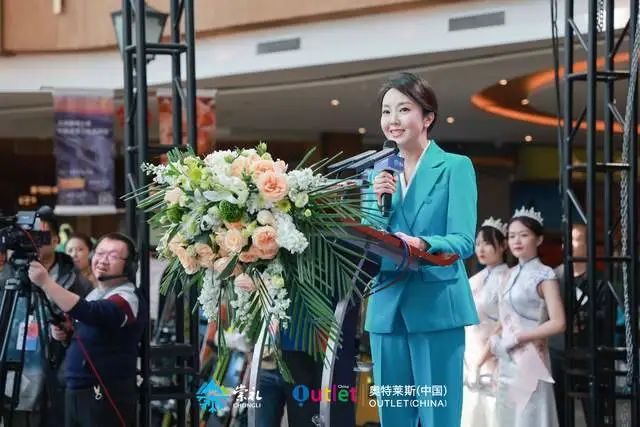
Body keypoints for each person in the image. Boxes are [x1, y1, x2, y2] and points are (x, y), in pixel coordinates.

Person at [366, 72, 479, 427]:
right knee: (393, 418)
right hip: (386, 308)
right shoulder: (376, 174)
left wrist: (424, 243)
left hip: (436, 306)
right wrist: (378, 203)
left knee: (438, 417)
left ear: (427, 117)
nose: (393, 120)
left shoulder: (455, 167)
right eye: (386, 111)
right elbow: (368, 240)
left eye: (403, 109)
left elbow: (463, 240)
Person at [27, 232, 146, 427]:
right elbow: (90, 327)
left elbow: (92, 312)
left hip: (106, 393)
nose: (103, 260)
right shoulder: (97, 292)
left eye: (113, 256)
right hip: (78, 390)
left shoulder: (128, 296)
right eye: (100, 253)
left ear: (129, 265)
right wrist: (67, 333)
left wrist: (46, 283)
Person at [2, 207, 92, 427]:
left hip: (59, 374)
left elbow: (88, 329)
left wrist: (67, 333)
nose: (33, 241)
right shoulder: (7, 279)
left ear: (54, 240)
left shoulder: (77, 281)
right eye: (27, 235)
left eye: (39, 236)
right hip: (15, 373)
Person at [488, 207, 566, 427]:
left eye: (524, 235)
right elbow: (503, 318)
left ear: (539, 239)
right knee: (507, 417)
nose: (517, 240)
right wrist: (495, 341)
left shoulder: (545, 274)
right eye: (512, 236)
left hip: (531, 359)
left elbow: (559, 322)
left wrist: (521, 337)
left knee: (529, 416)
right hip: (506, 360)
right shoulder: (507, 274)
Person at [461, 218, 509, 427]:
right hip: (469, 353)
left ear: (503, 245)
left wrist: (484, 357)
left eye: (487, 243)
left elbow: (506, 322)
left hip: (494, 355)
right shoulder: (472, 280)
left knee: (493, 413)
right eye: (478, 243)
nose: (481, 249)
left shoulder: (508, 278)